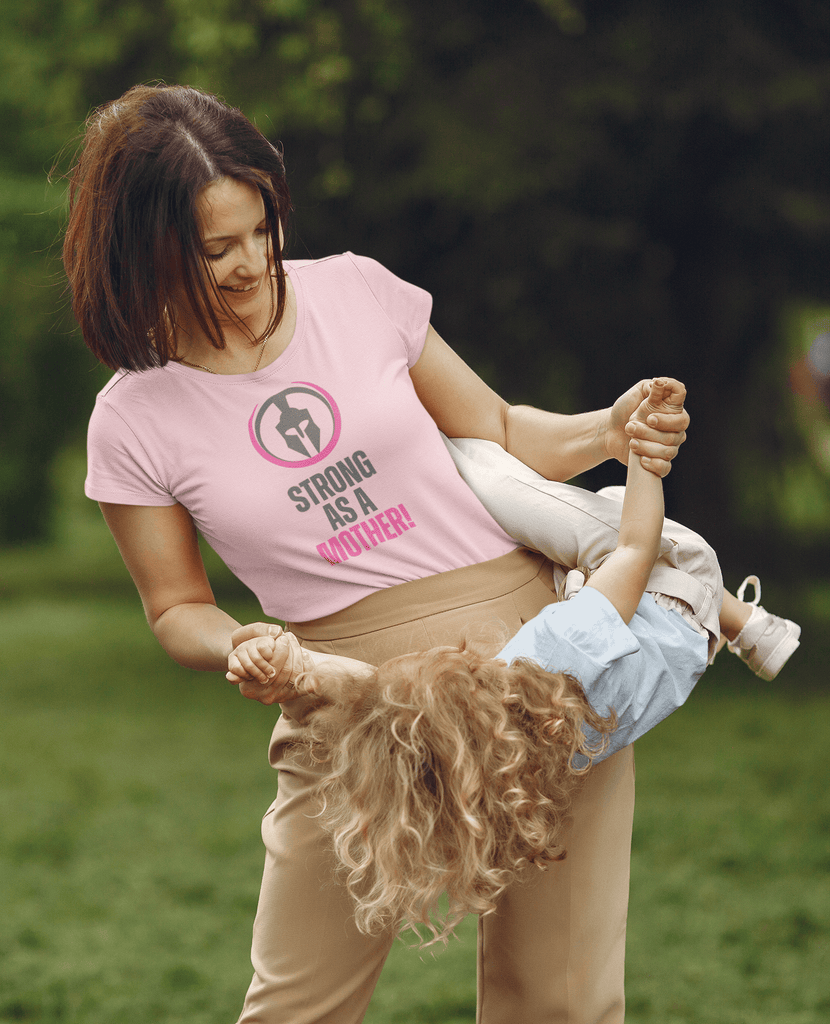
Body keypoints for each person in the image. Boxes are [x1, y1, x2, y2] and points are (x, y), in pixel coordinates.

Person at [66, 82, 706, 1024]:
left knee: (561, 1002)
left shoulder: (356, 291)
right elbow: (174, 609)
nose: (253, 265)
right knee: (296, 1007)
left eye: (262, 230)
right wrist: (240, 642)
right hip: (346, 701)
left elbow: (495, 426)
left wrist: (607, 430)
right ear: (145, 249)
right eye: (216, 249)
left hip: (544, 669)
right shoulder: (133, 418)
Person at [225, 381, 739, 949]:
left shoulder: (479, 764)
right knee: (489, 472)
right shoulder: (553, 660)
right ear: (476, 683)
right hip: (679, 595)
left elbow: (368, 692)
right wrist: (647, 455)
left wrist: (282, 663)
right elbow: (636, 549)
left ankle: (739, 622)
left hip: (637, 639)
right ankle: (739, 615)